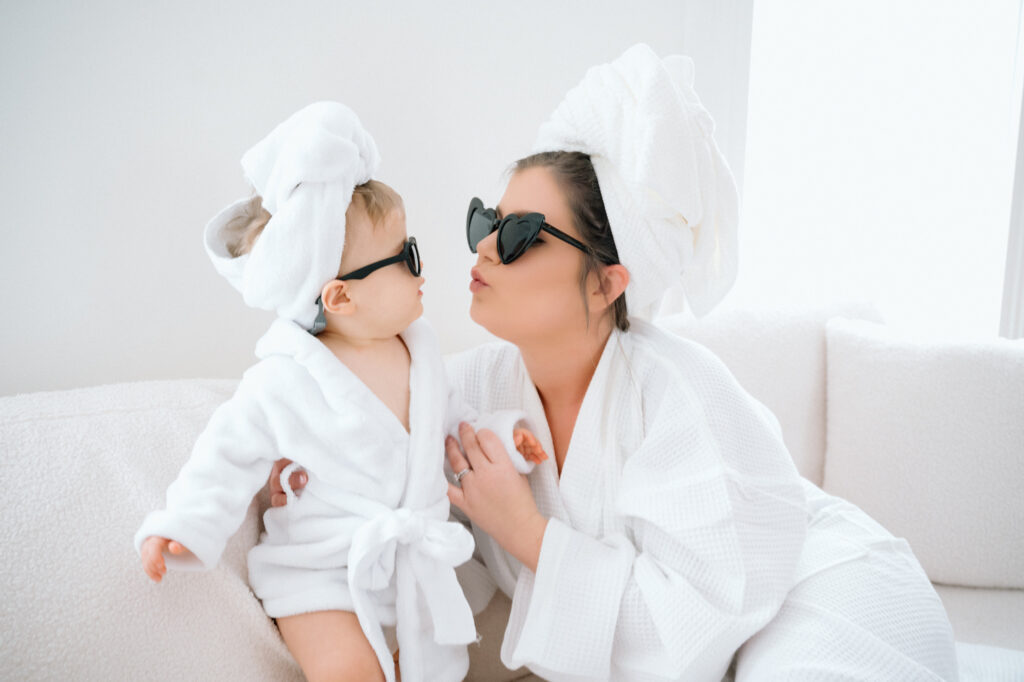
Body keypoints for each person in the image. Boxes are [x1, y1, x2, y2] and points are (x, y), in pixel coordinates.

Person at [272, 46, 960, 681]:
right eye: (486, 221)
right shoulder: (472, 387)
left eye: (518, 235)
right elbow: (379, 469)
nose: (483, 248)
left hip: (822, 590)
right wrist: (305, 484)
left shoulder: (679, 397)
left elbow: (687, 633)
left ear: (607, 284)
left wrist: (525, 531)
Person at [134, 102, 543, 682]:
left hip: (407, 573)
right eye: (405, 258)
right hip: (321, 575)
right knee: (349, 670)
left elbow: (455, 427)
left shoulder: (419, 354)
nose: (421, 268)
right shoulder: (285, 377)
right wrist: (182, 524)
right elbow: (225, 455)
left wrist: (507, 434)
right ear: (341, 298)